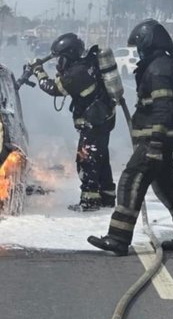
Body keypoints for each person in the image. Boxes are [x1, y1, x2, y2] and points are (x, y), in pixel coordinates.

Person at [88, 19, 173, 256]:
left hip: (154, 140)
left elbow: (163, 107)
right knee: (167, 187)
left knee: (130, 181)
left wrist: (155, 143)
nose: (138, 51)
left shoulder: (159, 69)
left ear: (149, 43)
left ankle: (118, 238)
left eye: (140, 46)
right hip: (156, 140)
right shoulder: (159, 65)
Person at [30, 33, 116, 211]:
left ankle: (89, 201)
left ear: (69, 55)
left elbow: (53, 88)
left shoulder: (78, 73)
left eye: (61, 58)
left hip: (94, 124)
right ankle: (107, 198)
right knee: (101, 159)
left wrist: (38, 71)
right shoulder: (87, 65)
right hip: (103, 120)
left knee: (87, 160)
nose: (59, 62)